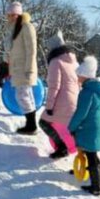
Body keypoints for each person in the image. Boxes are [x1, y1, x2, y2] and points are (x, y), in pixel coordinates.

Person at [68, 56, 100, 196]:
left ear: (84, 75)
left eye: (78, 75)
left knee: (91, 157)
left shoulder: (87, 92)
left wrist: (71, 127)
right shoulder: (99, 90)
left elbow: (81, 113)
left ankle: (96, 187)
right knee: (94, 156)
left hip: (88, 129)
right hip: (96, 127)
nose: (77, 78)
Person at [38, 31, 79, 159]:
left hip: (62, 100)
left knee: (44, 122)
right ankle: (70, 146)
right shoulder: (73, 61)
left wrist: (49, 106)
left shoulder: (55, 61)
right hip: (73, 99)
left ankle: (62, 148)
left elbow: (54, 86)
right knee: (61, 124)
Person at [4, 2, 39, 135]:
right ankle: (31, 124)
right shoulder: (13, 29)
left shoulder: (27, 27)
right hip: (17, 68)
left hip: (25, 68)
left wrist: (29, 69)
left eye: (14, 14)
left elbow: (32, 50)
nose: (11, 17)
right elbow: (14, 50)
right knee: (26, 96)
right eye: (10, 15)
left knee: (23, 96)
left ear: (19, 14)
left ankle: (31, 125)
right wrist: (7, 61)